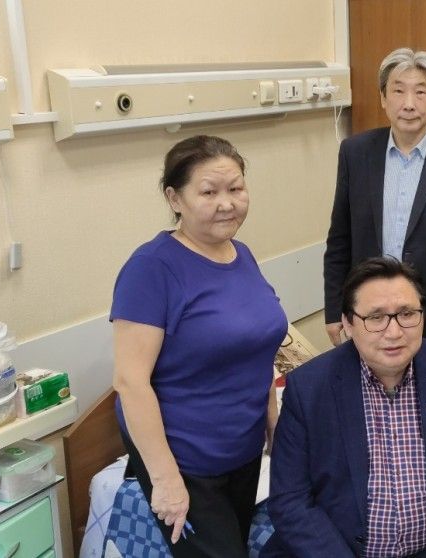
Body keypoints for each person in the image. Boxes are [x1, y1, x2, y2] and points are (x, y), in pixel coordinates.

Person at [265, 257, 426, 558]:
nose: (394, 332)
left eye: (407, 314)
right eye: (376, 317)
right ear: (348, 323)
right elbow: (290, 499)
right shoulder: (308, 388)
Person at [110, 135, 288, 556]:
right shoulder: (151, 268)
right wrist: (166, 480)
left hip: (241, 450)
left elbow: (256, 349)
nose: (226, 203)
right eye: (208, 192)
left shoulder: (241, 255)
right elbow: (130, 382)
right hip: (186, 459)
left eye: (236, 188)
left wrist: (273, 425)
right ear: (175, 198)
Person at [323, 47, 426, 348]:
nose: (409, 104)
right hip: (367, 311)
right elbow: (339, 240)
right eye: (398, 91)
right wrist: (335, 310)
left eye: (421, 92)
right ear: (383, 98)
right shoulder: (355, 152)